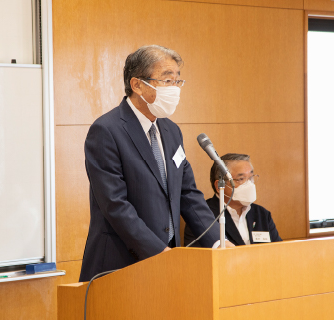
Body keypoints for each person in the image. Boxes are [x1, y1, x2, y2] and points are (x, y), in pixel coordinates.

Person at [79, 45, 233, 282]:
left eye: (177, 81)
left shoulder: (171, 131)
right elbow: (115, 205)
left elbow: (187, 193)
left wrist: (217, 241)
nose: (174, 88)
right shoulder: (106, 130)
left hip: (167, 261)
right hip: (121, 263)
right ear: (137, 85)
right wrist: (157, 251)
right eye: (167, 80)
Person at [184, 153, 282, 246]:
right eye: (241, 179)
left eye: (251, 178)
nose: (249, 184)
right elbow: (196, 258)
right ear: (219, 186)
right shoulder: (201, 216)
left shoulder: (262, 214)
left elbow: (279, 252)